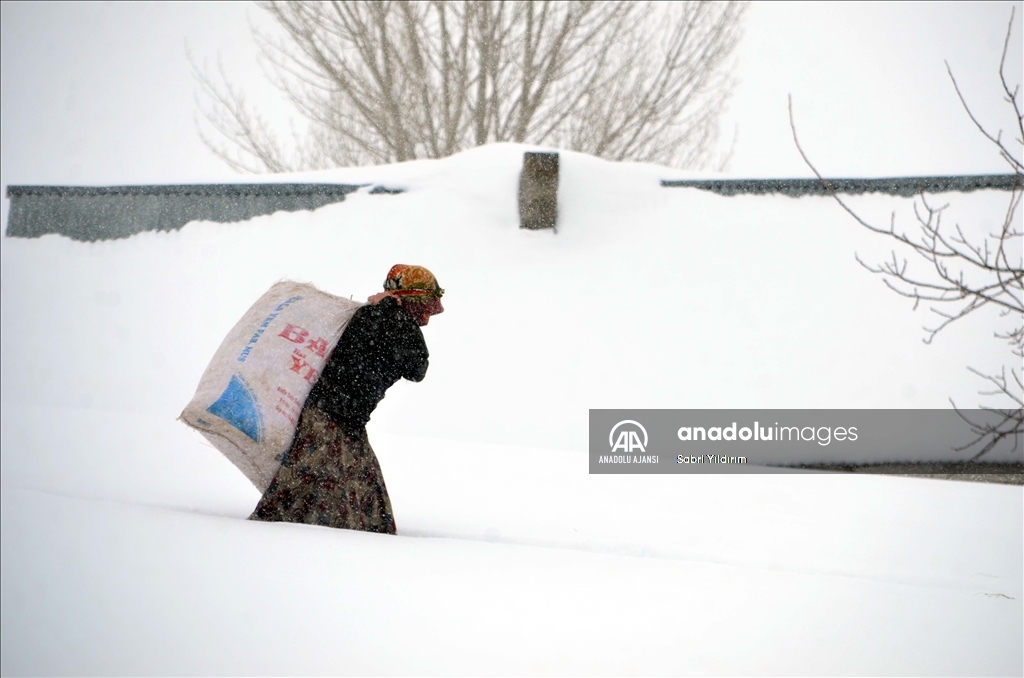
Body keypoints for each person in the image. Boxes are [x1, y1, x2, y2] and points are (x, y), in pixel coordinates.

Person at [249, 264, 444, 533]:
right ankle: (284, 536)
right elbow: (416, 363)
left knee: (358, 488)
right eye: (424, 303)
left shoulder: (387, 321)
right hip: (329, 416)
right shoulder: (377, 319)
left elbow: (415, 369)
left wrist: (388, 310)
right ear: (407, 299)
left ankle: (313, 533)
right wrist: (388, 310)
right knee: (318, 486)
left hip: (346, 419)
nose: (430, 312)